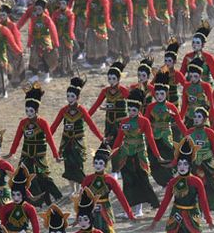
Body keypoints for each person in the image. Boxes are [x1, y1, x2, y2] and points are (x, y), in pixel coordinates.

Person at [5, 84, 63, 208]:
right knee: (23, 176)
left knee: (42, 175)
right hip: (26, 154)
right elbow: (17, 138)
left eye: (31, 111)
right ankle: (32, 200)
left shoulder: (43, 123)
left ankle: (56, 195)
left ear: (36, 110)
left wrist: (56, 155)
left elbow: (50, 140)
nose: (28, 113)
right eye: (26, 111)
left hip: (39, 155)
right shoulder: (23, 122)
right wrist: (11, 152)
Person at [110, 88, 164, 216]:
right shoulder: (124, 122)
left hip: (139, 155)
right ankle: (127, 210)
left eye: (134, 110)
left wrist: (157, 155)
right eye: (129, 110)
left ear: (139, 110)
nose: (131, 112)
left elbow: (150, 140)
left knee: (142, 180)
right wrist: (111, 152)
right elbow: (118, 139)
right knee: (128, 183)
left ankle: (139, 210)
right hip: (126, 155)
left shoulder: (144, 121)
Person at [50, 77, 104, 191]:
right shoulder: (63, 110)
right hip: (66, 142)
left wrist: (101, 138)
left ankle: (79, 187)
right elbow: (54, 126)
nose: (70, 99)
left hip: (78, 142)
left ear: (78, 97)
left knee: (78, 164)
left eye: (72, 96)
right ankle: (72, 189)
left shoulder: (82, 110)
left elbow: (91, 125)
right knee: (68, 165)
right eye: (68, 96)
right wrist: (45, 136)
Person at [89, 61, 130, 144]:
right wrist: (86, 116)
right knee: (108, 142)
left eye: (113, 79)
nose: (111, 81)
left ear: (118, 79)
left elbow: (133, 103)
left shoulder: (123, 90)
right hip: (109, 121)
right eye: (109, 79)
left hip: (121, 121)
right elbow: (96, 105)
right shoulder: (105, 91)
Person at [85, 0, 112, 68]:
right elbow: (88, 12)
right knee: (91, 42)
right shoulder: (91, 0)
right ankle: (91, 61)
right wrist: (87, 23)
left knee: (101, 42)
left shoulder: (104, 0)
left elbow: (106, 13)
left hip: (100, 24)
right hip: (92, 24)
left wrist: (107, 23)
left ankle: (102, 61)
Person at [52, 0, 76, 78]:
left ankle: (68, 68)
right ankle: (60, 69)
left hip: (66, 36)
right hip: (58, 35)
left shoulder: (70, 14)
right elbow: (53, 25)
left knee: (68, 53)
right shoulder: (55, 13)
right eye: (61, 3)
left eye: (64, 3)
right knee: (59, 53)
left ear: (67, 4)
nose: (62, 5)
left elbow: (71, 25)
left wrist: (70, 35)